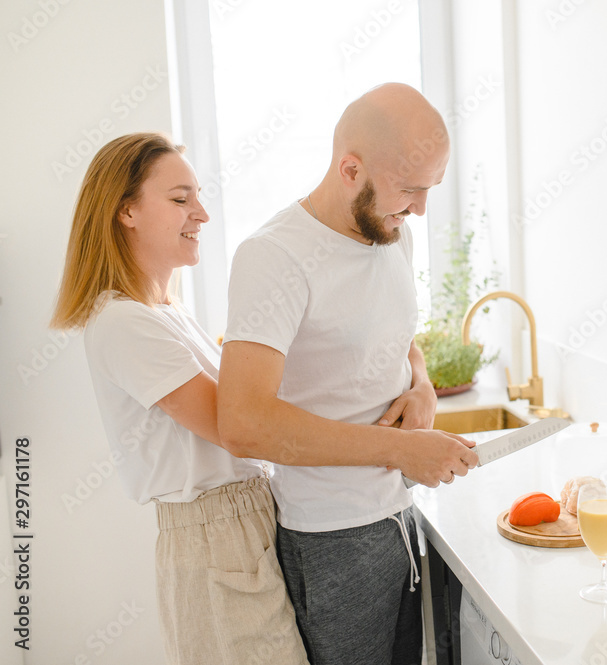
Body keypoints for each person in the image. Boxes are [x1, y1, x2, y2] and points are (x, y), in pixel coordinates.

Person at [217, 83, 478, 664]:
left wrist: (423, 383)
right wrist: (399, 449)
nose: (420, 210)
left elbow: (395, 332)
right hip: (331, 538)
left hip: (400, 519)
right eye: (410, 190)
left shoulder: (393, 234)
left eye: (430, 190)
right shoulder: (273, 258)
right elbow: (242, 421)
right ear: (350, 167)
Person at [50, 133, 309, 665]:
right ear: (126, 212)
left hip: (241, 529)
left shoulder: (164, 313)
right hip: (216, 539)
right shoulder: (122, 322)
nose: (202, 214)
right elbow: (241, 426)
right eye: (180, 198)